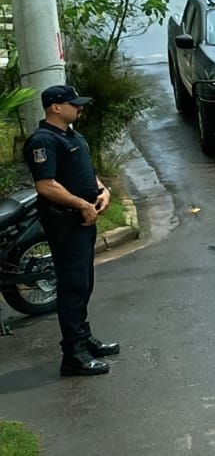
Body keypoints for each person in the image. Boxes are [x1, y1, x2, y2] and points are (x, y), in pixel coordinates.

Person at [24, 85, 120, 377]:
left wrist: (102, 190)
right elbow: (46, 185)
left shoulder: (73, 136)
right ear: (55, 107)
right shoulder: (43, 141)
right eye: (74, 104)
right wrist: (82, 204)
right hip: (65, 222)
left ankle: (83, 337)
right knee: (72, 285)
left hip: (84, 219)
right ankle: (73, 354)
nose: (80, 108)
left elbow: (86, 170)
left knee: (84, 282)